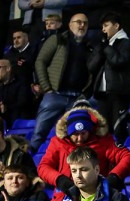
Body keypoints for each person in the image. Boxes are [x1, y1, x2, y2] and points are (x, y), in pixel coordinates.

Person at [38, 106, 130, 201]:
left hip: (98, 200)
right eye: (75, 134)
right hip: (65, 200)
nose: (79, 138)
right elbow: (43, 167)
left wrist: (114, 177)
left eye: (83, 133)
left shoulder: (103, 141)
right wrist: (60, 180)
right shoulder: (58, 143)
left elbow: (128, 157)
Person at [31, 13, 94, 150]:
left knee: (75, 138)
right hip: (55, 95)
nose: (82, 25)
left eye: (85, 23)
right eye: (78, 22)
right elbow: (40, 61)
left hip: (77, 98)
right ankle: (25, 165)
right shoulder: (57, 39)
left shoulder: (90, 46)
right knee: (39, 134)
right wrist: (47, 88)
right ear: (70, 25)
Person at [88, 12, 130, 140]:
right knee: (103, 129)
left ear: (116, 26)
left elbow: (118, 61)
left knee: (118, 128)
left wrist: (106, 48)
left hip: (119, 93)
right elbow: (92, 67)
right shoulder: (105, 44)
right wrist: (100, 49)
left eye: (106, 25)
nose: (103, 29)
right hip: (102, 93)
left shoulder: (126, 43)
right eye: (102, 27)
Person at [0, 58, 35, 127]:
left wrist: (6, 108)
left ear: (8, 68)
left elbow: (23, 103)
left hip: (17, 120)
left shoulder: (21, 82)